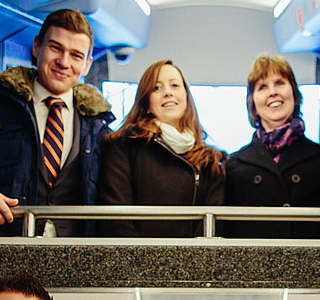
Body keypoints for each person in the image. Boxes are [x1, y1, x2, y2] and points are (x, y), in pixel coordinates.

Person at [0, 9, 114, 237]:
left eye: (76, 55)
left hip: (72, 259)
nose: (63, 62)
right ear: (37, 47)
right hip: (0, 253)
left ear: (87, 64)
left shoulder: (99, 128)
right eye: (55, 48)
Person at [96, 60, 225, 237]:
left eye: (174, 85)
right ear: (146, 102)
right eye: (157, 88)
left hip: (191, 261)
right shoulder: (124, 144)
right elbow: (117, 218)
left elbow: (211, 228)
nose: (168, 93)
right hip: (136, 260)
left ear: (186, 96)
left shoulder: (211, 160)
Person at [222, 53, 320, 238]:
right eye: (262, 87)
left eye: (280, 83)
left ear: (295, 95)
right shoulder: (234, 166)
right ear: (253, 104)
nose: (273, 92)